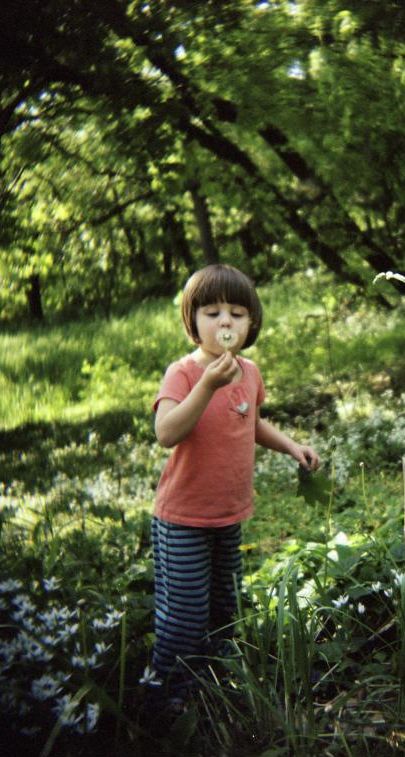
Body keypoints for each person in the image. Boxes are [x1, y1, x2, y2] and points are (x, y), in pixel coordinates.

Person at [149, 263, 320, 704]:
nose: (225, 321)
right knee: (185, 614)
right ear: (193, 322)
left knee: (226, 607)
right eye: (212, 312)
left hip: (229, 514)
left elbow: (251, 422)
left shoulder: (249, 371)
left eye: (237, 313)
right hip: (183, 518)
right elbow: (166, 432)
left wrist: (291, 446)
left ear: (251, 323)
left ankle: (216, 687)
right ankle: (170, 695)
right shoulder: (184, 373)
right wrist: (206, 385)